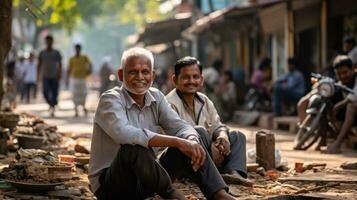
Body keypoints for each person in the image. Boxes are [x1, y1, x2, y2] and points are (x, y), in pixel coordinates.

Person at [88, 47, 235, 200]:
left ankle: (218, 193)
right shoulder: (110, 99)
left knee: (193, 134)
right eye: (132, 72)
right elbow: (124, 134)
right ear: (120, 74)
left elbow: (179, 125)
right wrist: (177, 141)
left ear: (152, 75)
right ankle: (173, 195)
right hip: (112, 186)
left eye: (145, 72)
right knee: (133, 147)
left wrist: (190, 140)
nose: (140, 77)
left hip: (147, 179)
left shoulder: (156, 96)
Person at [166, 56, 252, 187]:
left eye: (195, 77)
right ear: (175, 80)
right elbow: (174, 140)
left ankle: (234, 174)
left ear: (201, 80)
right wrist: (209, 145)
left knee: (237, 136)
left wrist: (222, 136)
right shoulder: (168, 104)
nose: (191, 81)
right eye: (185, 77)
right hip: (185, 160)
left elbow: (218, 126)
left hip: (208, 156)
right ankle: (207, 176)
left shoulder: (204, 100)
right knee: (199, 131)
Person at [327, 55, 357, 153]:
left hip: (353, 112)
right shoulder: (338, 83)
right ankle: (323, 140)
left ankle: (337, 143)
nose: (342, 76)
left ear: (353, 69)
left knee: (351, 106)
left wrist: (338, 106)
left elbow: (354, 96)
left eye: (345, 72)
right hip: (348, 117)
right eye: (339, 73)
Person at [37, 35, 62, 117]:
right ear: (46, 42)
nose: (49, 42)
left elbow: (60, 64)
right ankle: (51, 103)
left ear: (52, 41)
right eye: (47, 41)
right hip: (45, 76)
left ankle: (53, 107)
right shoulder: (42, 53)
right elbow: (39, 64)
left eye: (50, 41)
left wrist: (59, 73)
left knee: (55, 92)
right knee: (45, 91)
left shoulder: (56, 53)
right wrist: (38, 75)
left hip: (54, 76)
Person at [67, 44, 92, 117]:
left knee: (83, 93)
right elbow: (69, 69)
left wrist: (89, 71)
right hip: (74, 78)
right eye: (76, 49)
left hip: (82, 78)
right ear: (75, 49)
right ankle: (76, 109)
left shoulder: (84, 57)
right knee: (74, 94)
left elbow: (90, 64)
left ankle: (84, 107)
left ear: (80, 49)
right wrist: (67, 78)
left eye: (78, 49)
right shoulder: (71, 59)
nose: (77, 50)